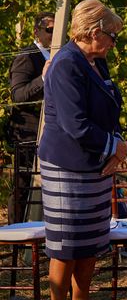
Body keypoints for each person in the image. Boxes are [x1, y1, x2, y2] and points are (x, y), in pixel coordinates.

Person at [38, 0, 127, 299]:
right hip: (67, 168)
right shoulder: (66, 64)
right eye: (112, 36)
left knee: (90, 245)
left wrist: (116, 148)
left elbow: (110, 107)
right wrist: (113, 146)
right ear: (93, 32)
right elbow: (75, 124)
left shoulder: (95, 60)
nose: (114, 43)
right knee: (67, 247)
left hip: (95, 165)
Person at [7, 12, 54, 223]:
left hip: (50, 131)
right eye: (49, 30)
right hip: (29, 131)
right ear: (37, 31)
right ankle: (15, 232)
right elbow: (18, 95)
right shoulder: (26, 56)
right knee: (24, 184)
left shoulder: (57, 55)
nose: (54, 34)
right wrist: (43, 77)